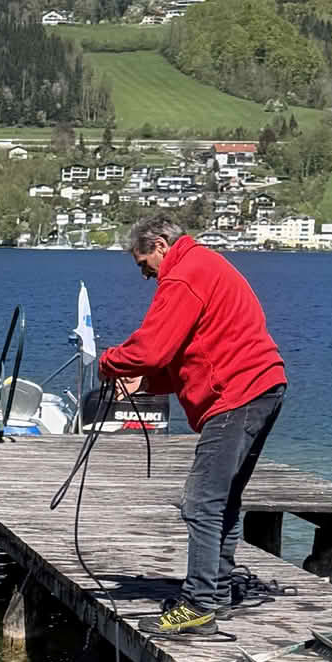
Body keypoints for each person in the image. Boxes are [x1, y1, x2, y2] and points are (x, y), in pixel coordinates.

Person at [97, 215, 288, 636]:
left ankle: (199, 604)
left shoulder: (183, 275)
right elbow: (189, 350)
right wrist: (147, 380)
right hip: (264, 386)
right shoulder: (205, 266)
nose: (145, 273)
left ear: (162, 245)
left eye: (143, 262)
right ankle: (215, 591)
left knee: (200, 503)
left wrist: (108, 362)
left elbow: (151, 347)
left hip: (237, 396)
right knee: (224, 499)